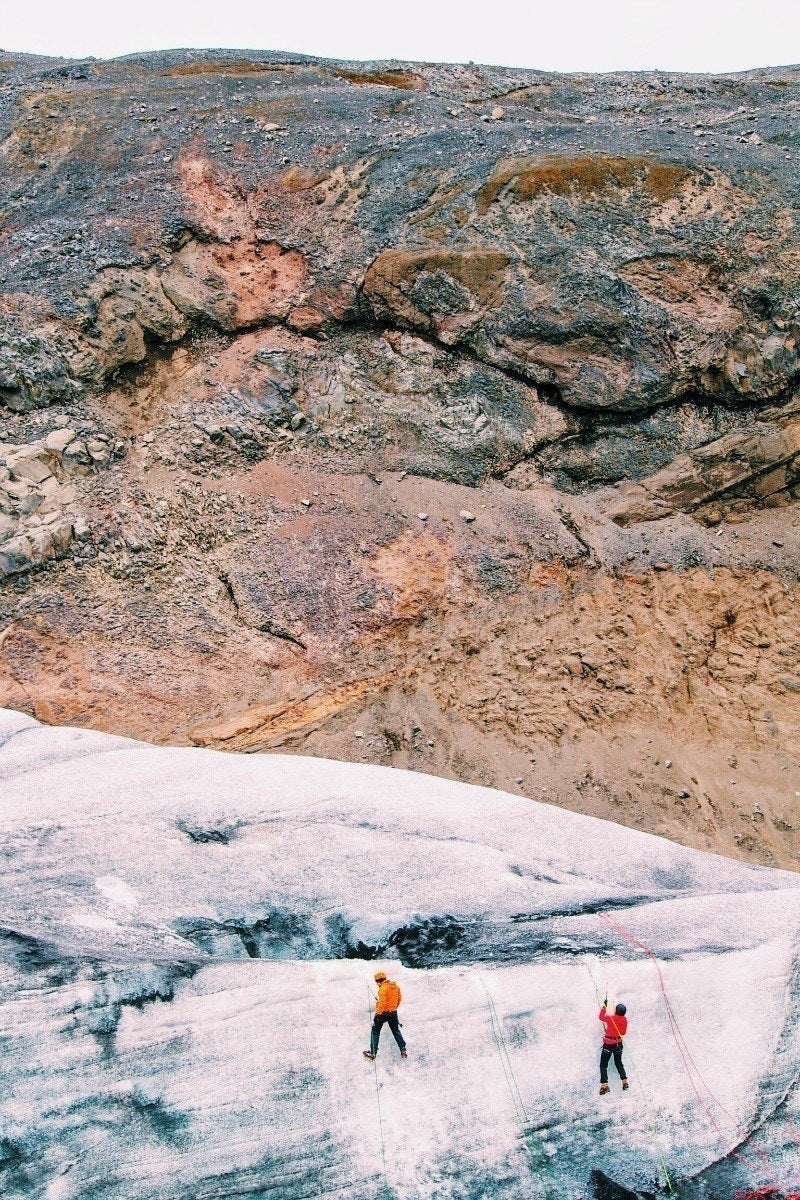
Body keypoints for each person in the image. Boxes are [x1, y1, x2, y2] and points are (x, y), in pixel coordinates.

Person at [364, 970, 407, 1061]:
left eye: (376, 982)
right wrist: (393, 1008)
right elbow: (399, 999)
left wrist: (378, 1013)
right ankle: (403, 1050)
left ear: (379, 981)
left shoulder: (383, 989)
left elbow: (382, 1003)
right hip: (393, 1013)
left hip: (383, 1014)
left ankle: (373, 1053)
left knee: (375, 1031)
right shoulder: (395, 987)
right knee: (395, 1030)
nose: (377, 984)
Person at [598, 998, 629, 1094]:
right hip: (618, 1044)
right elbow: (623, 1032)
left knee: (603, 1065)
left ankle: (604, 1086)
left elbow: (601, 1017)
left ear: (616, 1011)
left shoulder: (611, 1018)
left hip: (608, 1044)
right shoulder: (625, 1020)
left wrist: (604, 1006)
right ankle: (624, 1082)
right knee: (619, 1063)